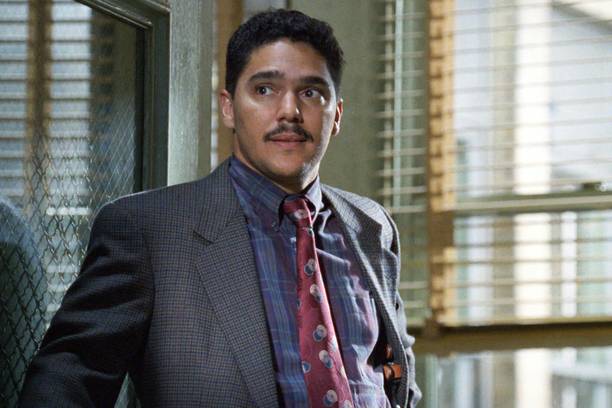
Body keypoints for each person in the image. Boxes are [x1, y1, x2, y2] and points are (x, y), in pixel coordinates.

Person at [19, 9, 420, 408]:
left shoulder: (371, 227)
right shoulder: (147, 230)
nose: (289, 111)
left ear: (336, 116)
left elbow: (396, 380)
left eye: (311, 93)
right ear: (228, 107)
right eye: (265, 89)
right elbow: (65, 382)